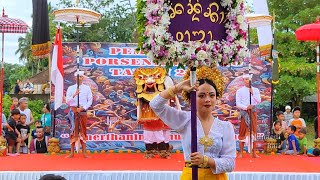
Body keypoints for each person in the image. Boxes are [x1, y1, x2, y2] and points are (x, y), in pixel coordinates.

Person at [150, 66, 236, 179]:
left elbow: (230, 164)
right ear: (191, 99)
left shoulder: (225, 127)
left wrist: (206, 160)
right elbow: (155, 105)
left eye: (211, 95)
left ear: (217, 98)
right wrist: (176, 88)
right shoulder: (185, 120)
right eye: (201, 95)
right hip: (191, 176)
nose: (207, 100)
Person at [66, 71, 93, 158]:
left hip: (82, 111)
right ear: (75, 78)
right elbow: (67, 101)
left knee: (83, 130)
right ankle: (72, 153)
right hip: (73, 111)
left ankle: (84, 152)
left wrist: (83, 108)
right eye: (78, 77)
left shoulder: (87, 88)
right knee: (73, 130)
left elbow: (90, 100)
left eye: (81, 77)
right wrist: (74, 95)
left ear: (83, 78)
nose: (79, 78)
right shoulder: (71, 88)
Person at [236, 74, 261, 158]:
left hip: (253, 112)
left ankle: (254, 152)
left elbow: (258, 100)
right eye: (246, 79)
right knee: (242, 130)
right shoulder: (239, 91)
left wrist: (253, 93)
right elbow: (238, 103)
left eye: (249, 79)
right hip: (244, 112)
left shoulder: (256, 90)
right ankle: (241, 152)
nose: (248, 81)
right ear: (243, 80)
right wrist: (246, 107)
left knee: (253, 130)